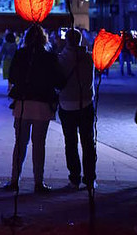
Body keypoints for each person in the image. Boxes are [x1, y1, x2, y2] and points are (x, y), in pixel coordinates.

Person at [4, 25, 65, 193]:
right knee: (39, 145)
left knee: (20, 144)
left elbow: (13, 76)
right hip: (43, 105)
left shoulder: (21, 54)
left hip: (23, 104)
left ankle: (15, 180)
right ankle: (39, 182)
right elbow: (59, 81)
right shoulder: (49, 57)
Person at [58, 28, 96, 190]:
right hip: (85, 103)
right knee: (88, 142)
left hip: (66, 104)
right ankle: (89, 178)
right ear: (80, 41)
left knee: (70, 142)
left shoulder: (61, 58)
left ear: (66, 40)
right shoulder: (88, 58)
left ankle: (74, 177)